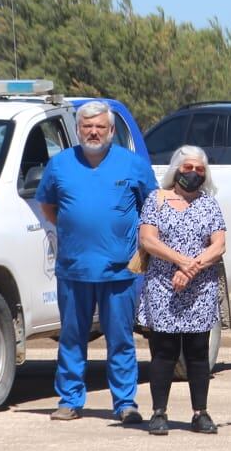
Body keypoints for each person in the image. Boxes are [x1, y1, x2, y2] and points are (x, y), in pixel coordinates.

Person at [36, 100, 158, 423]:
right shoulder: (60, 164)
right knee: (72, 337)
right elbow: (48, 206)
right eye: (87, 126)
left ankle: (125, 403)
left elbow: (152, 209)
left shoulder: (132, 165)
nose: (93, 132)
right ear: (77, 130)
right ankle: (70, 400)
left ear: (111, 130)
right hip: (74, 269)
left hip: (120, 270)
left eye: (100, 127)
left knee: (120, 339)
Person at [137, 146, 226, 436]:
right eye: (188, 168)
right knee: (164, 351)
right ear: (177, 168)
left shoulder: (209, 204)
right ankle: (159, 412)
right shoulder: (157, 200)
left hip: (200, 287)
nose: (193, 173)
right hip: (163, 285)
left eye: (199, 169)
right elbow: (148, 240)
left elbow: (219, 245)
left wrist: (191, 269)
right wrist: (180, 261)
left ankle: (200, 412)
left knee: (198, 352)